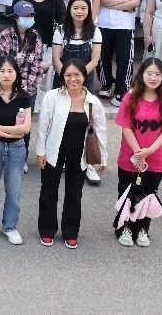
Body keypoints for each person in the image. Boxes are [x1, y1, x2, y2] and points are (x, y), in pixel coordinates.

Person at [35, 60, 107, 248]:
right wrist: (40, 151)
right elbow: (42, 127)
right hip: (53, 150)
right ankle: (47, 230)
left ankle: (70, 232)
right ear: (63, 77)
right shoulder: (52, 96)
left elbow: (101, 131)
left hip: (79, 153)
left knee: (74, 193)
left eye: (77, 75)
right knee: (48, 190)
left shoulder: (93, 101)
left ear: (84, 76)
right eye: (68, 75)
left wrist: (103, 159)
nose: (72, 79)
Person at [114, 57, 162, 247]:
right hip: (130, 156)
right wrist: (138, 152)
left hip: (156, 157)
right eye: (149, 73)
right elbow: (126, 126)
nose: (153, 78)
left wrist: (149, 150)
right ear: (141, 74)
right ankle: (124, 227)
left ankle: (143, 228)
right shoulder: (131, 96)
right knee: (126, 192)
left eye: (158, 74)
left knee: (148, 194)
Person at [0, 56, 33, 244]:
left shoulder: (24, 97)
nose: (6, 75)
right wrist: (10, 132)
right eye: (2, 71)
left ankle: (11, 227)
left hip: (17, 148)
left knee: (14, 191)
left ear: (16, 73)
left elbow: (26, 128)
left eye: (10, 71)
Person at [94, 0, 142, 104]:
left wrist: (113, 3)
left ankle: (122, 90)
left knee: (125, 59)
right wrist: (124, 2)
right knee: (103, 56)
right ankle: (106, 84)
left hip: (125, 24)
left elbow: (135, 2)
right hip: (104, 22)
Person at [0, 1, 47, 123]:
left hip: (30, 88)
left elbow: (37, 64)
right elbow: (3, 64)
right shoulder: (5, 35)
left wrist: (27, 87)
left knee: (25, 124)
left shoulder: (35, 36)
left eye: (31, 16)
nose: (28, 19)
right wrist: (15, 85)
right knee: (6, 122)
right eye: (25, 16)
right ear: (16, 17)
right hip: (8, 87)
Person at [52, 0, 103, 111]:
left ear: (89, 10)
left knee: (86, 112)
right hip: (63, 79)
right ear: (69, 9)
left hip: (85, 79)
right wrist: (68, 78)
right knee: (60, 112)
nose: (79, 12)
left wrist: (78, 77)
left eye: (83, 8)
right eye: (75, 8)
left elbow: (95, 60)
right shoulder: (60, 30)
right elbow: (56, 59)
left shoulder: (95, 31)